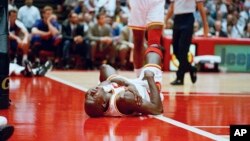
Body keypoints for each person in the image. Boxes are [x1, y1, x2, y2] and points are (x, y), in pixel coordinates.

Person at [84, 40, 164, 117]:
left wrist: (129, 84)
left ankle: (139, 72)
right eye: (93, 95)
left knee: (104, 68)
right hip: (147, 90)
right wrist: (150, 78)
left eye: (87, 95)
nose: (91, 92)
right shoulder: (124, 99)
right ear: (104, 103)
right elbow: (157, 109)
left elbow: (110, 78)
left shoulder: (102, 93)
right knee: (154, 49)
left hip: (132, 84)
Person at [165, 0, 209, 85]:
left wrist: (205, 25)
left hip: (188, 19)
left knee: (183, 50)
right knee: (175, 51)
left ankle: (180, 77)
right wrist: (165, 20)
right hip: (177, 19)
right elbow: (172, 7)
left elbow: (200, 7)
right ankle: (191, 68)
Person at [127, 0, 165, 77]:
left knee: (154, 44)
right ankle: (139, 77)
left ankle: (153, 78)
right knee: (138, 42)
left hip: (155, 2)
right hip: (137, 2)